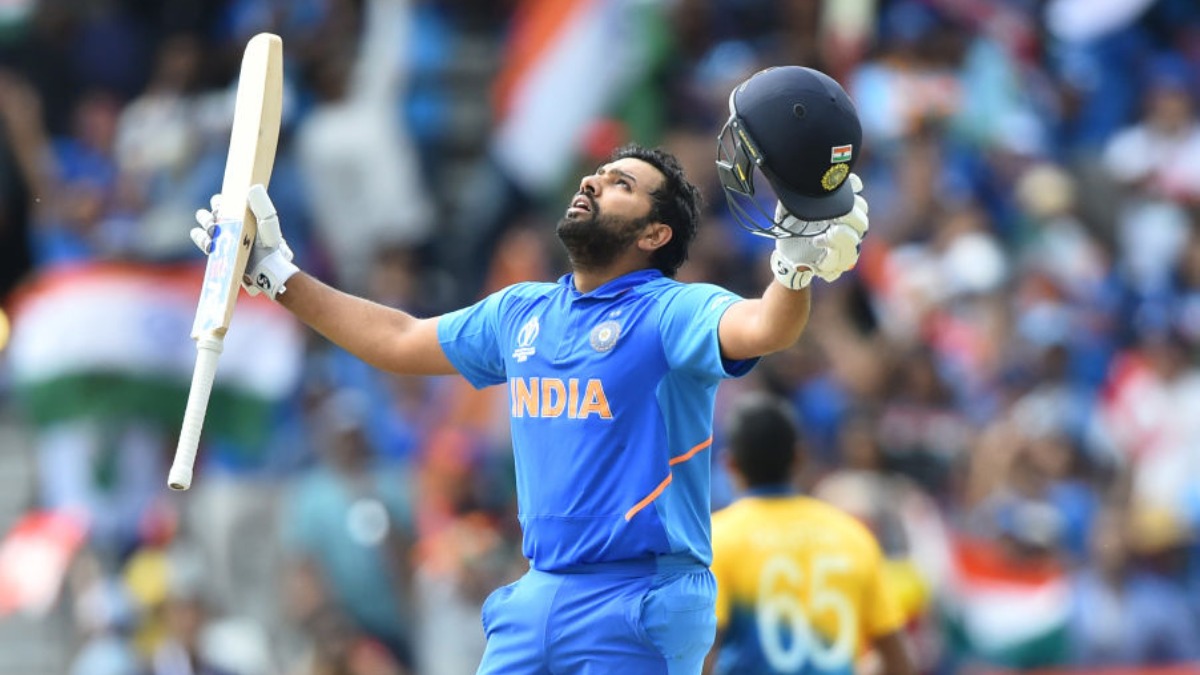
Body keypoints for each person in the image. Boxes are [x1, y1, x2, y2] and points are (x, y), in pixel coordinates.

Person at [191, 65, 870, 674]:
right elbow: (398, 339)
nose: (593, 181)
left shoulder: (670, 311)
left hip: (640, 597)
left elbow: (766, 326)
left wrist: (795, 267)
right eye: (598, 174)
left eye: (622, 185)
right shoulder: (520, 312)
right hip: (538, 591)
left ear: (654, 234)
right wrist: (278, 276)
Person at [704, 393, 915, 675]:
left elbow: (701, 655)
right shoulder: (852, 536)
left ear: (730, 464)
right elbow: (899, 663)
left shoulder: (717, 540)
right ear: (799, 457)